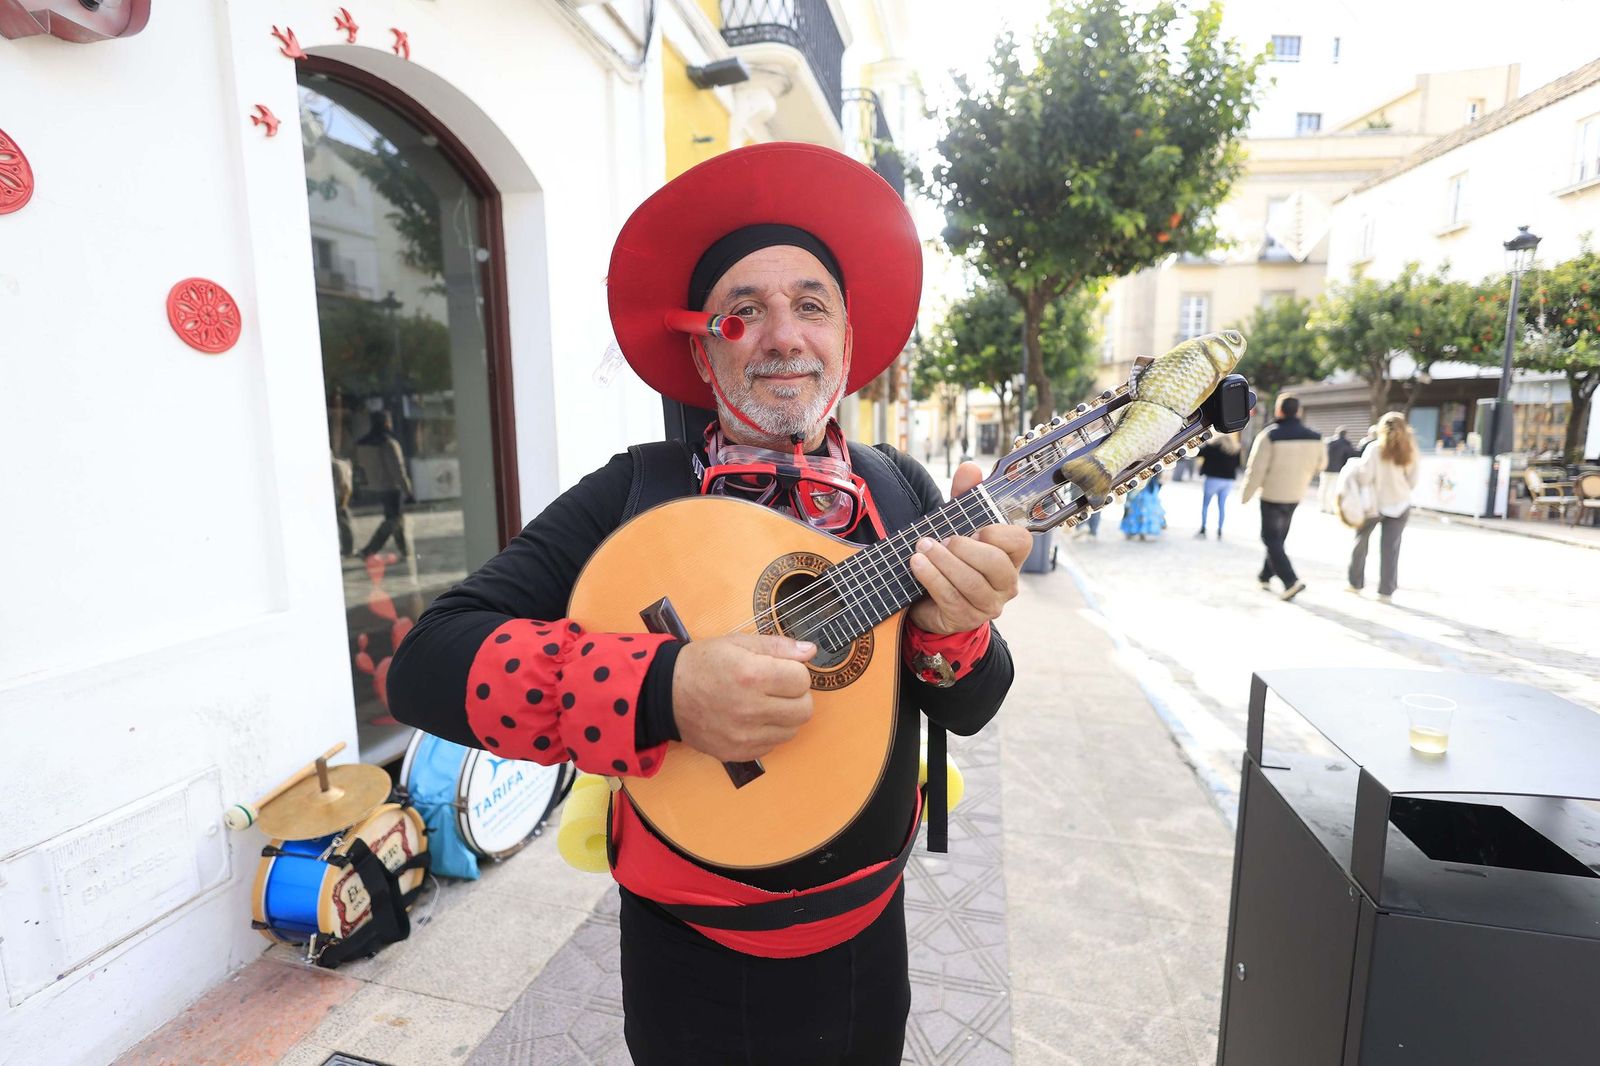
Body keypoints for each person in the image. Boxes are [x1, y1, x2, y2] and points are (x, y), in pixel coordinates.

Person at [386, 143, 1032, 1065]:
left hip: (867, 939)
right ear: (701, 347)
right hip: (687, 955)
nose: (784, 335)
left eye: (812, 305)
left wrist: (954, 630)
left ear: (846, 341)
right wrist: (665, 689)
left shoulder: (901, 491)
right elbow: (426, 662)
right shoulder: (633, 493)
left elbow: (969, 707)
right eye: (744, 311)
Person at [1240, 394, 1325, 601]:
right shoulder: (1315, 437)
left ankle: (1290, 581)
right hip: (1296, 493)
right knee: (1278, 538)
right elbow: (1321, 465)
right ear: (1298, 411)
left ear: (1279, 410)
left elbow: (1256, 469)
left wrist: (1246, 494)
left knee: (1270, 538)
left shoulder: (1269, 435)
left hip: (1272, 493)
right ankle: (1265, 575)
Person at [1347, 411, 1420, 603]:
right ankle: (1386, 592)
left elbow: (1364, 477)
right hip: (1401, 503)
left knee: (1361, 543)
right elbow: (1413, 481)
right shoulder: (1411, 450)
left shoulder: (1374, 449)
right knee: (1391, 549)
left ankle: (1355, 584)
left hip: (1374, 505)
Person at [356, 410, 414, 559]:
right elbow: (397, 469)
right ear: (387, 423)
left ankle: (405, 551)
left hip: (374, 485)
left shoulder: (362, 444)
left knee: (396, 519)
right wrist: (407, 489)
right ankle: (369, 550)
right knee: (393, 521)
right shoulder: (389, 444)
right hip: (391, 487)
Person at [1194, 432, 1241, 538]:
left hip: (1213, 479)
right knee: (1222, 506)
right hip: (1228, 481)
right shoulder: (1235, 449)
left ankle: (1203, 528)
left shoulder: (1213, 446)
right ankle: (1220, 530)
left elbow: (1198, 453)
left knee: (1206, 505)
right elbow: (1238, 465)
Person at [1319, 426, 1360, 513]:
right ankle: (1331, 508)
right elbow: (1350, 456)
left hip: (1325, 468)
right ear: (1346, 434)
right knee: (1333, 488)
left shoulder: (1328, 441)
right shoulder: (1346, 443)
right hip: (1337, 470)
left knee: (1324, 487)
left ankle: (1322, 506)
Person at [1120, 474, 1165, 540]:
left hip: (1149, 484)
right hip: (1136, 482)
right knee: (1134, 507)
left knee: (1147, 506)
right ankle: (1130, 530)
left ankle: (1143, 531)